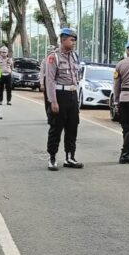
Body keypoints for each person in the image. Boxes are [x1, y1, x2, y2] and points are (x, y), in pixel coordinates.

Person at [44, 28, 83, 171]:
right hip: (60, 96)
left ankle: (70, 157)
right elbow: (50, 81)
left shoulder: (74, 56)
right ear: (63, 40)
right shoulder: (54, 57)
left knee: (73, 127)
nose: (74, 43)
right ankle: (52, 158)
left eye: (74, 40)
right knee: (56, 128)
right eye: (71, 40)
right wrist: (53, 101)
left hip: (72, 96)